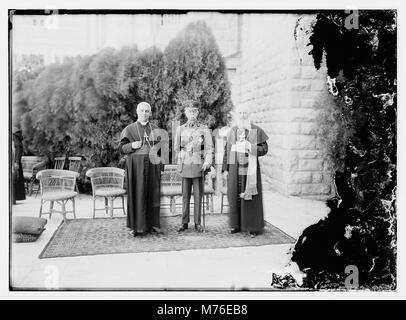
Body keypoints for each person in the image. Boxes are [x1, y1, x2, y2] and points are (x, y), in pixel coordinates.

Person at [119, 102, 167, 236]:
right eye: (142, 111)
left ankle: (152, 224)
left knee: (153, 194)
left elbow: (162, 150)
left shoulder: (156, 129)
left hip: (153, 167)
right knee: (137, 194)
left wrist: (161, 167)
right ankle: (136, 226)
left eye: (147, 111)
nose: (144, 113)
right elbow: (121, 149)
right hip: (136, 167)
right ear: (137, 112)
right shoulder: (129, 129)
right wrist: (132, 145)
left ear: (150, 113)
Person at [222, 105, 269, 237]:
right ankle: (235, 225)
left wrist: (251, 147)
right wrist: (225, 169)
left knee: (250, 197)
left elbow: (264, 149)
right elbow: (227, 151)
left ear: (249, 114)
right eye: (240, 113)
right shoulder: (233, 130)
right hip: (234, 169)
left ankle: (252, 226)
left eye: (245, 113)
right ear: (237, 115)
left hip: (250, 170)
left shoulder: (256, 130)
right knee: (234, 195)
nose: (242, 115)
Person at [174, 104, 213, 232]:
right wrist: (184, 153)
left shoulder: (204, 129)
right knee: (185, 196)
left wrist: (207, 161)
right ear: (185, 113)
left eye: (194, 111)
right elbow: (176, 148)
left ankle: (197, 223)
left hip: (198, 166)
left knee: (198, 196)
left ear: (197, 112)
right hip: (185, 165)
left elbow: (209, 148)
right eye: (189, 111)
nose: (192, 113)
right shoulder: (180, 129)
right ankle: (184, 222)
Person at [12, 126, 26, 202]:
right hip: (13, 160)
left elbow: (18, 148)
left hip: (14, 161)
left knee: (14, 180)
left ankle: (14, 199)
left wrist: (16, 161)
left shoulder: (14, 134)